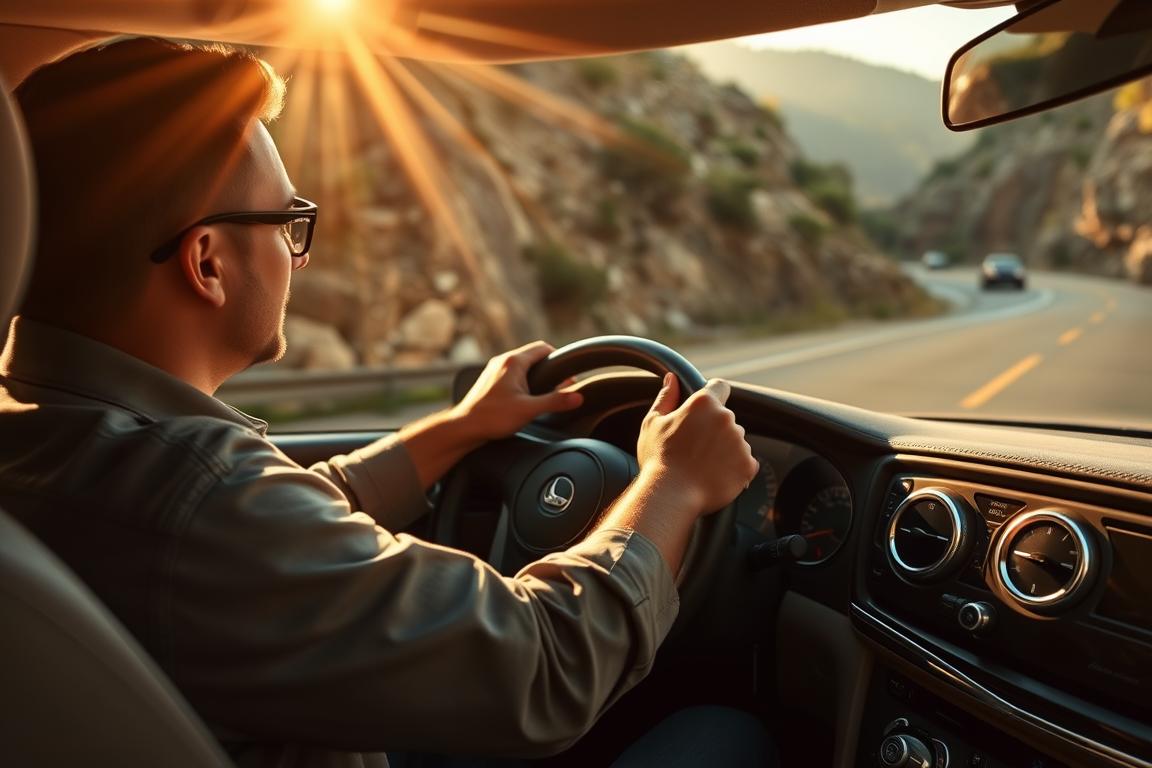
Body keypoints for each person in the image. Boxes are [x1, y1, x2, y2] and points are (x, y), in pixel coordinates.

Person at [0, 37, 764, 767]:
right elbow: (545, 668)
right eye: (290, 223)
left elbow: (287, 523)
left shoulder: (58, 440)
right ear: (208, 262)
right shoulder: (193, 497)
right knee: (726, 734)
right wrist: (673, 485)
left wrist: (457, 430)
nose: (300, 253)